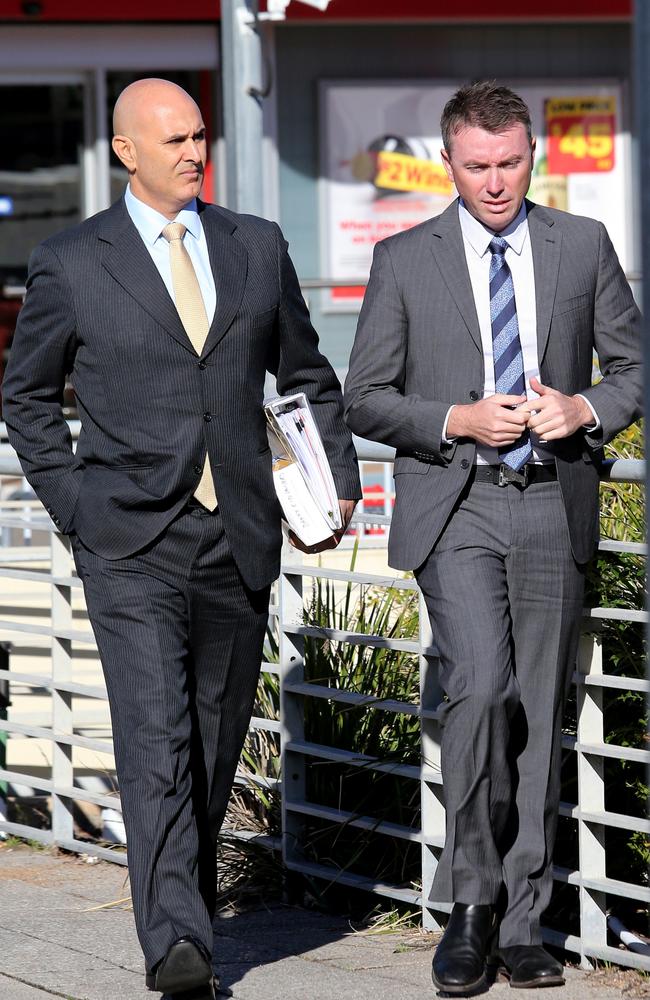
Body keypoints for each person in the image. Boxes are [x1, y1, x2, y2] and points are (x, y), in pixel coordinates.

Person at [3, 78, 361, 1000]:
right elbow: (29, 400)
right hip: (129, 538)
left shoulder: (255, 244)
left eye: (200, 135)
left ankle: (185, 911)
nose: (194, 152)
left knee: (211, 737)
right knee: (155, 733)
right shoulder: (72, 260)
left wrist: (331, 488)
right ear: (126, 151)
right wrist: (76, 506)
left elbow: (310, 377)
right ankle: (178, 951)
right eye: (172, 140)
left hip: (238, 531)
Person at [344, 80, 641, 995]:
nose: (496, 182)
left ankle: (524, 921)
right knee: (477, 689)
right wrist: (459, 418)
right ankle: (469, 905)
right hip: (457, 502)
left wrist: (582, 406)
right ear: (449, 163)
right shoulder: (404, 259)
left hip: (555, 500)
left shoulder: (582, 245)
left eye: (510, 162)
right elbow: (364, 396)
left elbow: (634, 368)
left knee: (538, 709)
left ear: (532, 156)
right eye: (477, 167)